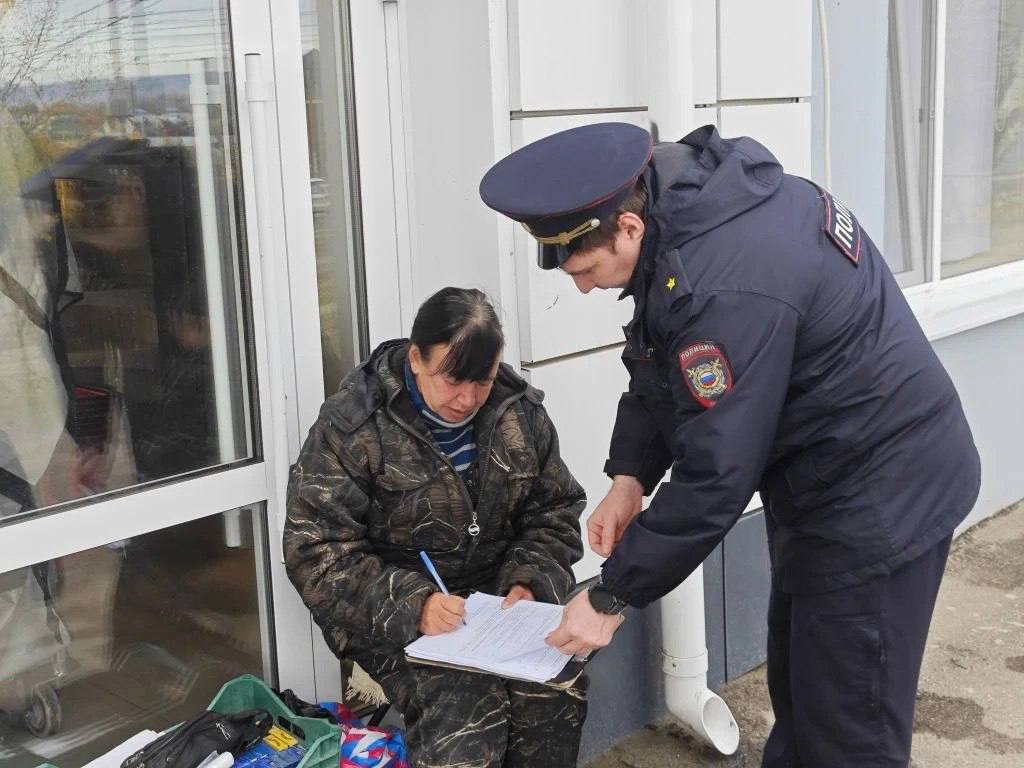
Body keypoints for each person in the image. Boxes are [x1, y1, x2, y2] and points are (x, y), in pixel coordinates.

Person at [479, 122, 981, 766]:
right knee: (804, 693)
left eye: (586, 268)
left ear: (627, 229)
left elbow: (717, 474)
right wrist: (629, 476)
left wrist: (611, 595)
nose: (581, 286)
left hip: (880, 497)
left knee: (852, 725)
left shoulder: (724, 286)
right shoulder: (687, 205)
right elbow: (659, 356)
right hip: (825, 483)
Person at [284, 287, 588, 768]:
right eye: (453, 380)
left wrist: (530, 581)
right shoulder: (354, 426)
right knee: (463, 708)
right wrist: (415, 603)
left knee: (553, 690)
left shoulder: (518, 412)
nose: (467, 400)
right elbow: (315, 551)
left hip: (496, 607)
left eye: (482, 381)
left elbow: (555, 509)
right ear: (417, 357)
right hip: (389, 612)